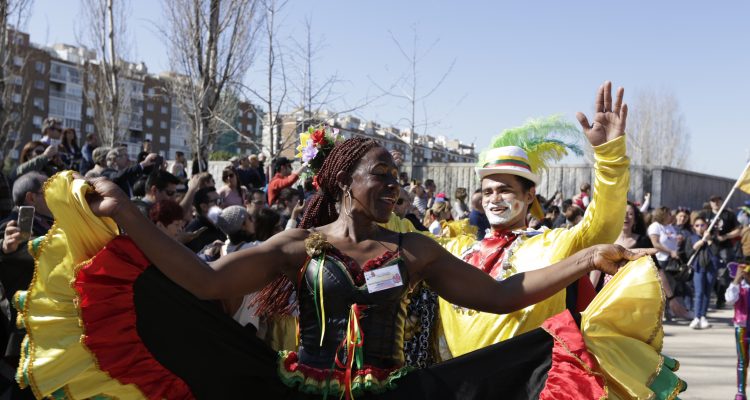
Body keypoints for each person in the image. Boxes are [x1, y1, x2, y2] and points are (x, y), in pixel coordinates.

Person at [14, 130, 683, 399]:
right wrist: (129, 215)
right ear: (342, 182)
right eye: (382, 175)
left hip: (393, 391)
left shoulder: (413, 250)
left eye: (397, 176)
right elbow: (205, 282)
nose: (394, 185)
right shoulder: (300, 248)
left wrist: (589, 258)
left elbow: (501, 296)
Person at [435, 82, 632, 360]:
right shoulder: (455, 249)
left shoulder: (552, 245)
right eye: (488, 191)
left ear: (529, 196)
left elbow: (601, 227)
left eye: (504, 190)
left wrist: (609, 155)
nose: (494, 199)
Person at [0, 172, 53, 400]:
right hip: (24, 336)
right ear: (32, 198)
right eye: (49, 193)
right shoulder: (10, 227)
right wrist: (6, 251)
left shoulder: (54, 224)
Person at [590, 202, 653, 291]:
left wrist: (671, 297)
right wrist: (590, 291)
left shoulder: (644, 242)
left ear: (635, 220)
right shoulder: (607, 240)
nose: (626, 216)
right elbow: (597, 269)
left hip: (634, 291)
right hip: (608, 291)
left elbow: (655, 268)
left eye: (630, 214)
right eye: (622, 213)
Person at [703, 194, 742, 309]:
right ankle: (715, 293)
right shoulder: (706, 214)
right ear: (710, 203)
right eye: (713, 201)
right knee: (711, 273)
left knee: (724, 274)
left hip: (725, 248)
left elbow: (738, 230)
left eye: (717, 201)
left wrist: (726, 236)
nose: (715, 203)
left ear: (721, 202)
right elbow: (698, 227)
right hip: (710, 247)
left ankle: (721, 298)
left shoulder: (728, 215)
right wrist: (706, 237)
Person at [685, 213, 718, 329]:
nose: (700, 227)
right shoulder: (691, 238)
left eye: (702, 225)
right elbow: (687, 253)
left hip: (711, 268)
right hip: (698, 267)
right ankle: (696, 317)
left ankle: (703, 316)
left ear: (706, 225)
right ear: (694, 227)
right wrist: (695, 246)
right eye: (697, 225)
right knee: (699, 292)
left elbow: (715, 252)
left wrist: (709, 241)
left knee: (707, 292)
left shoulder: (712, 237)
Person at [725, 265, 750, 400]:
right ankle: (741, 391)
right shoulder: (738, 287)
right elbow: (729, 299)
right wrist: (736, 280)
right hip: (742, 327)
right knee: (742, 360)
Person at [184, 186, 226, 253]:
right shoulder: (194, 232)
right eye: (217, 201)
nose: (222, 204)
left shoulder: (220, 225)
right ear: (204, 206)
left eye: (221, 199)